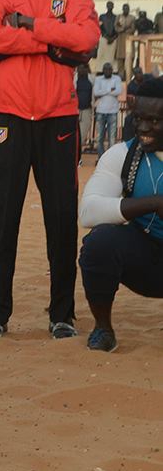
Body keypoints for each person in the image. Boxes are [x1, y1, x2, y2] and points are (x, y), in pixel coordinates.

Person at [0, 0, 100, 339]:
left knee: (61, 219)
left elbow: (85, 42)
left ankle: (61, 314)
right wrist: (51, 40)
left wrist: (29, 26)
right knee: (2, 217)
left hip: (59, 121)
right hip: (10, 117)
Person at [78, 78, 163, 352]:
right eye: (138, 118)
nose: (143, 128)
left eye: (154, 121)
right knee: (99, 243)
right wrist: (152, 203)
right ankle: (103, 329)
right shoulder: (122, 155)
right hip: (146, 259)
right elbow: (88, 211)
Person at [93, 62, 122, 159]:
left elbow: (118, 91)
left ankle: (110, 159)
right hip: (100, 111)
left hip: (113, 111)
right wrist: (110, 90)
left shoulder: (117, 78)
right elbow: (96, 92)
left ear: (112, 71)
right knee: (99, 137)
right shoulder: (98, 79)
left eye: (109, 69)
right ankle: (101, 158)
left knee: (112, 138)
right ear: (103, 70)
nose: (107, 71)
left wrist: (103, 91)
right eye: (105, 69)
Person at [74, 64, 94, 154]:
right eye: (79, 68)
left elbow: (96, 93)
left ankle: (78, 153)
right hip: (75, 110)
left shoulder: (92, 79)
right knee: (73, 134)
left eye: (83, 68)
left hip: (86, 110)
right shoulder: (73, 78)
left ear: (87, 69)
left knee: (83, 134)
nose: (80, 70)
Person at [114, 4, 135, 76]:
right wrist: (123, 29)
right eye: (124, 8)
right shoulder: (118, 17)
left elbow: (132, 29)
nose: (126, 10)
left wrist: (124, 30)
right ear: (122, 9)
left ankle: (130, 75)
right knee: (120, 58)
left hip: (129, 39)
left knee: (130, 57)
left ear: (129, 9)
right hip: (120, 39)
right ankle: (121, 75)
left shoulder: (132, 18)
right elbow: (116, 28)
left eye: (127, 9)